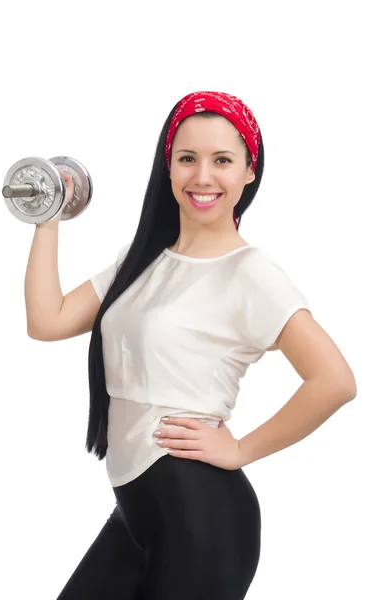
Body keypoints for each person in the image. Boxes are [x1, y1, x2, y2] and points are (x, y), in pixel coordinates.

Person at [25, 91, 356, 599]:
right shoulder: (141, 261)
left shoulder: (252, 275)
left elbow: (335, 381)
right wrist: (47, 214)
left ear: (249, 170)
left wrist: (242, 448)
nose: (203, 176)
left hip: (203, 523)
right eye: (187, 158)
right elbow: (47, 321)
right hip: (134, 514)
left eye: (222, 160)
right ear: (169, 166)